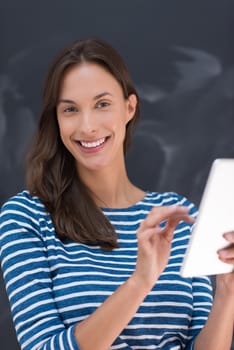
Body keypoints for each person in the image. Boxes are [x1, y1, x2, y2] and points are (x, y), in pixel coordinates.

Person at [0, 38, 233, 350]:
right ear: (56, 120)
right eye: (70, 109)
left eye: (102, 104)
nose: (87, 126)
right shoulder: (26, 217)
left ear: (129, 107)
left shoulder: (177, 213)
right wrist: (140, 281)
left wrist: (227, 290)